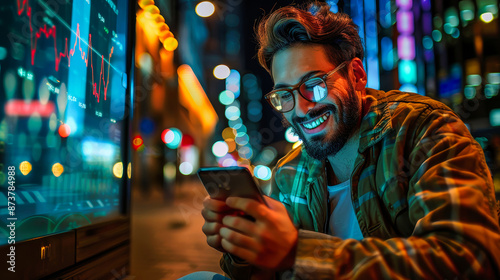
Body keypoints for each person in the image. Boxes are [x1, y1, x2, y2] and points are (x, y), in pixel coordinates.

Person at [192, 2, 500, 279]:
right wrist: (243, 246)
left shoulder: (424, 132)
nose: (301, 107)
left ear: (356, 76)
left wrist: (299, 251)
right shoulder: (291, 172)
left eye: (314, 84)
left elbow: (470, 260)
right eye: (284, 94)